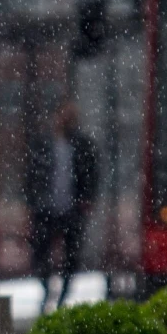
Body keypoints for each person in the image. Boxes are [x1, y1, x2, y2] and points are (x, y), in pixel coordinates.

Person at [25, 99, 99, 311]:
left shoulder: (83, 146)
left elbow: (92, 174)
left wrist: (86, 200)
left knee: (71, 257)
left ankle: (61, 298)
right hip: (45, 209)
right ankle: (47, 290)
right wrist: (33, 202)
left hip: (71, 210)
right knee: (40, 254)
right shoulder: (42, 144)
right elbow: (31, 176)